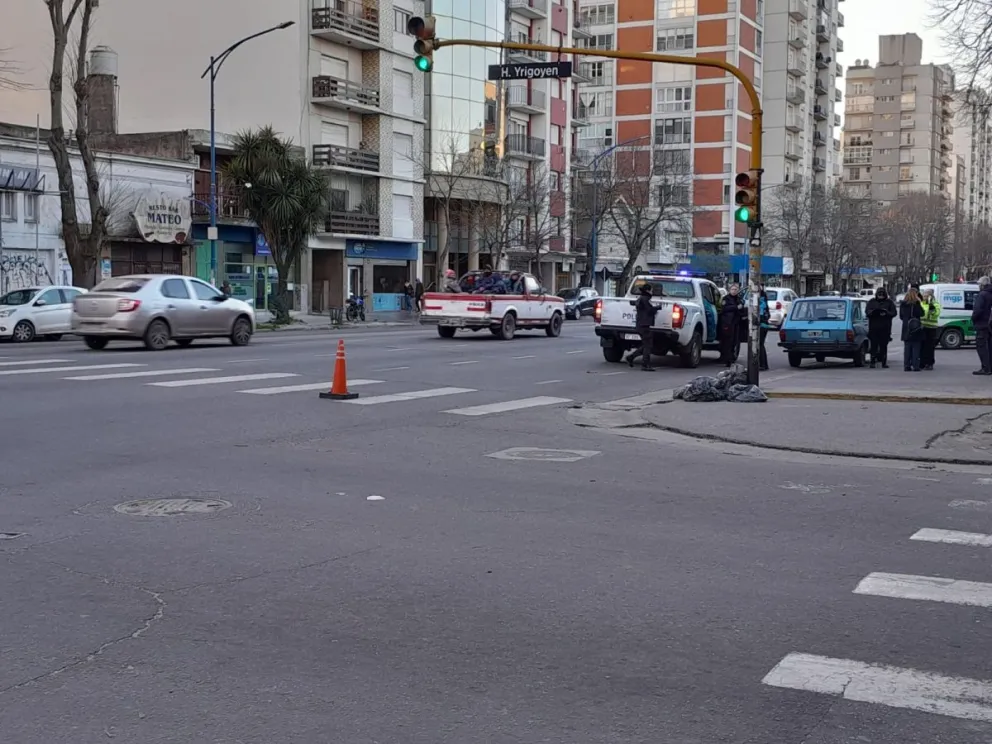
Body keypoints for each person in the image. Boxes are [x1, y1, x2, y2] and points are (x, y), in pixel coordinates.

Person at [626, 283, 659, 370]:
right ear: (648, 291)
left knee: (646, 345)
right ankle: (645, 365)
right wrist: (657, 308)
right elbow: (649, 310)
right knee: (648, 345)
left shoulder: (641, 298)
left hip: (641, 324)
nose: (652, 292)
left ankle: (631, 357)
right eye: (651, 290)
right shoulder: (645, 299)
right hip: (644, 325)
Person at [866, 287, 896, 368]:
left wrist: (887, 313)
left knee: (883, 346)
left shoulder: (889, 302)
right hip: (874, 328)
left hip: (885, 328)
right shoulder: (872, 302)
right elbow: (867, 312)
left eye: (882, 295)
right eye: (879, 295)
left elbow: (894, 313)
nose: (881, 296)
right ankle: (872, 362)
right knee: (873, 346)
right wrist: (873, 313)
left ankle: (884, 362)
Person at [719, 283, 745, 366]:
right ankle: (727, 359)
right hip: (727, 323)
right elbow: (724, 309)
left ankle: (731, 358)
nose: (734, 291)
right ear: (729, 290)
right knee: (727, 342)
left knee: (734, 342)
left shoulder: (739, 299)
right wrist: (736, 307)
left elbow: (742, 310)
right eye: (733, 289)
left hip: (736, 323)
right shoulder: (726, 299)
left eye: (736, 290)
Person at [899, 287, 924, 372]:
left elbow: (901, 316)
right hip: (916, 327)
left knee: (907, 348)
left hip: (906, 327)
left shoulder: (903, 304)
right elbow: (922, 313)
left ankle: (907, 365)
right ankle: (916, 365)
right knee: (916, 348)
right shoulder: (917, 303)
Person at [971, 276, 992, 375]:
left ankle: (985, 368)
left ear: (982, 285)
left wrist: (973, 318)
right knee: (989, 346)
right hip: (989, 324)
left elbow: (978, 310)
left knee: (981, 346)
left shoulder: (982, 295)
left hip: (982, 324)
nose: (978, 286)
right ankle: (989, 367)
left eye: (979, 284)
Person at [919, 288, 941, 370]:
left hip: (931, 328)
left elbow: (935, 314)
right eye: (924, 295)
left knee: (929, 347)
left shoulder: (935, 304)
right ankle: (922, 362)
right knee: (922, 346)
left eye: (926, 296)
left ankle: (929, 363)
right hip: (922, 327)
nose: (924, 297)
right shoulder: (921, 303)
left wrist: (930, 305)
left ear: (931, 296)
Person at [758, 289, 771, 371]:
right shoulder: (765, 302)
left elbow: (761, 315)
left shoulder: (761, 303)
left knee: (760, 345)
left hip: (761, 325)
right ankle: (763, 364)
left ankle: (763, 364)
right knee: (761, 345)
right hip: (765, 325)